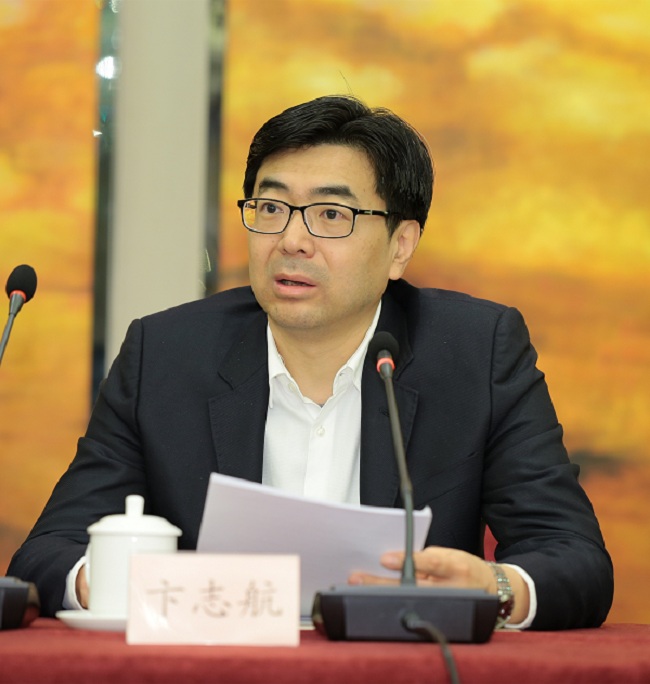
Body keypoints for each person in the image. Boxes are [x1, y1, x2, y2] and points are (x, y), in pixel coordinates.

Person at [7, 95, 613, 629]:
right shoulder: (164, 355)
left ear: (400, 246)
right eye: (271, 208)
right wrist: (115, 580)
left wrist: (496, 588)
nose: (291, 240)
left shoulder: (475, 353)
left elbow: (572, 556)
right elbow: (48, 552)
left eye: (331, 215)